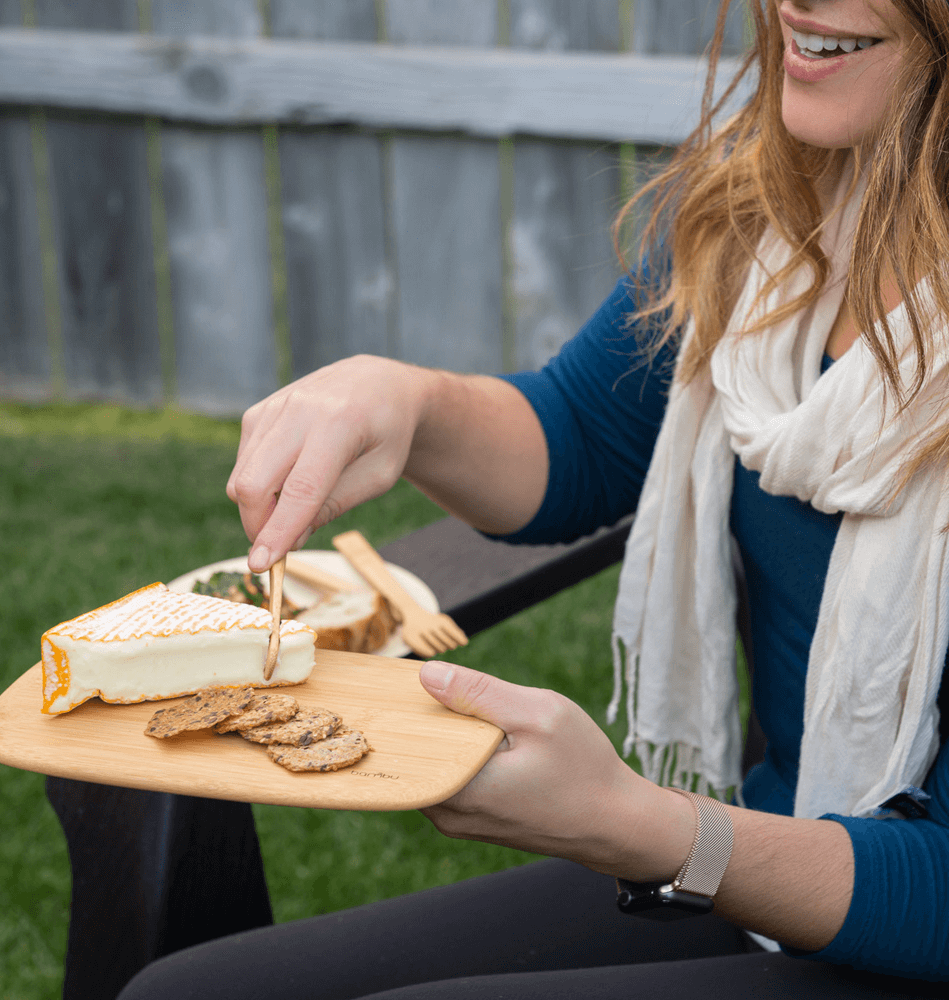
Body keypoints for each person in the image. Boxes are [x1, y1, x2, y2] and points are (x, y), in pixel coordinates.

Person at [118, 0, 949, 995]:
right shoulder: (783, 208)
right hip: (771, 866)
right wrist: (409, 401)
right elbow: (578, 442)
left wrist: (639, 824)